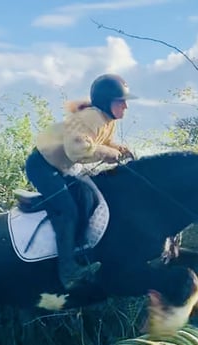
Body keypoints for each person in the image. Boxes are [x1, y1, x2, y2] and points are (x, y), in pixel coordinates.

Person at [25, 73, 137, 290]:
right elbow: (77, 150)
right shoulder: (90, 117)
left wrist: (119, 149)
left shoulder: (106, 120)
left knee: (87, 198)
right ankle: (67, 272)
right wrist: (107, 152)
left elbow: (100, 140)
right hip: (43, 167)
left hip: (59, 167)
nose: (126, 107)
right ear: (107, 102)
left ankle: (80, 253)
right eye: (121, 101)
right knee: (68, 210)